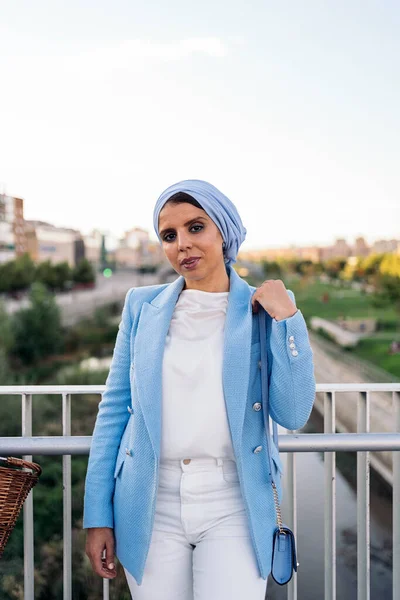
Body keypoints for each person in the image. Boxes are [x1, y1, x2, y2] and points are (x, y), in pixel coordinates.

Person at [83, 179, 316, 599]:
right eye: (169, 235)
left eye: (195, 227)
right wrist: (97, 514)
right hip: (150, 500)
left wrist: (290, 320)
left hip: (234, 501)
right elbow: (115, 410)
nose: (182, 245)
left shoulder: (262, 310)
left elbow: (295, 412)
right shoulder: (141, 305)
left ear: (223, 232)